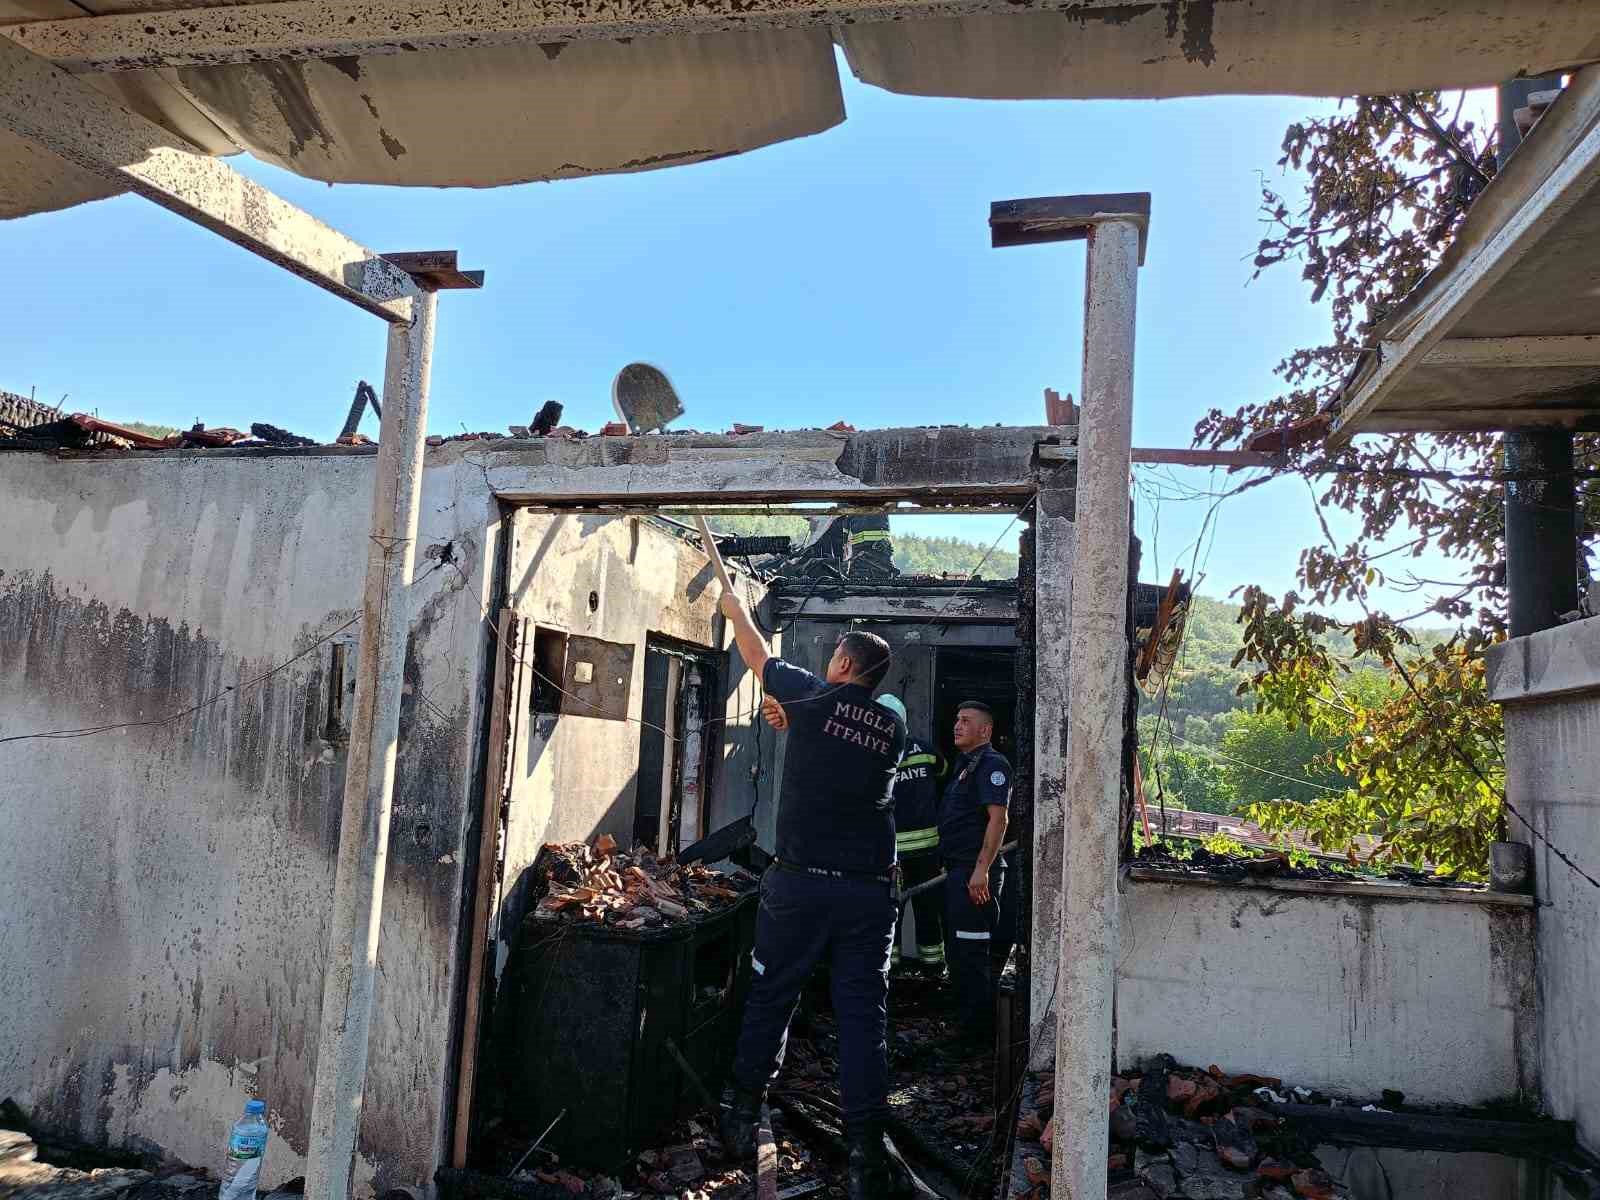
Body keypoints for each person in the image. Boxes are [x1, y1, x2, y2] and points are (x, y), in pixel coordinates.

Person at [716, 590, 909, 1200]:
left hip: (800, 885)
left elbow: (755, 653)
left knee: (771, 996)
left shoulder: (814, 696)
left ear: (845, 665)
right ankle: (865, 1158)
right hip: (868, 896)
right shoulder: (892, 728)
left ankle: (739, 1114)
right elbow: (836, 739)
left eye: (833, 657)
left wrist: (734, 610)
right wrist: (788, 716)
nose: (827, 664)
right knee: (863, 1021)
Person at [937, 700, 1011, 1056]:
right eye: (956, 719)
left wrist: (981, 869)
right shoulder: (966, 765)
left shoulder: (992, 764)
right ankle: (963, 1031)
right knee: (958, 954)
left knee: (971, 955)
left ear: (985, 730)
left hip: (975, 875)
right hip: (960, 871)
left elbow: (999, 819)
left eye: (966, 721)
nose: (957, 725)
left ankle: (975, 1040)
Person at [875, 694, 945, 977]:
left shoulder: (874, 753)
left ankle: (890, 969)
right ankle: (934, 966)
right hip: (928, 852)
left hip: (892, 854)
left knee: (892, 910)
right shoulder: (926, 751)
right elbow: (943, 772)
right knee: (928, 909)